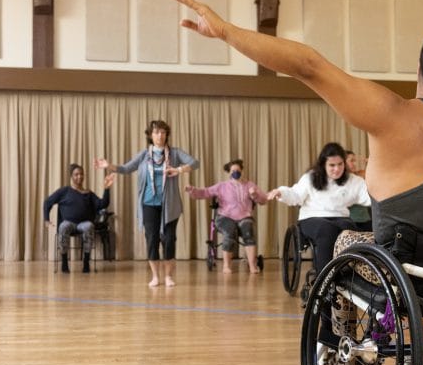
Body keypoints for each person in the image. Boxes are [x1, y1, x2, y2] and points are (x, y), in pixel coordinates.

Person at [170, 0, 423, 252]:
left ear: (420, 70)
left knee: (345, 242)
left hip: (405, 268)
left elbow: (308, 66)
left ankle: (329, 338)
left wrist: (225, 30)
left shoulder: (392, 115)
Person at [95, 120, 199, 287]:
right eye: (157, 132)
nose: (160, 135)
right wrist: (109, 165)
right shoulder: (144, 155)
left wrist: (179, 170)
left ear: (167, 135)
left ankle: (168, 277)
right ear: (150, 135)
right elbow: (126, 168)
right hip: (148, 204)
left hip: (170, 204)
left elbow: (195, 163)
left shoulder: (175, 153)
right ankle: (156, 276)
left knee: (169, 239)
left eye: (163, 132)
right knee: (152, 239)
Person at [268, 142, 370, 272]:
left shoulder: (353, 180)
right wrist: (281, 192)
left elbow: (368, 196)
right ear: (323, 164)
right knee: (327, 230)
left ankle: (347, 275)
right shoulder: (311, 178)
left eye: (340, 164)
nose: (337, 169)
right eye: (332, 165)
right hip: (312, 218)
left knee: (350, 231)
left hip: (340, 217)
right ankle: (324, 278)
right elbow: (296, 194)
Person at [186, 158, 269, 274]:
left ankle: (252, 266)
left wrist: (254, 195)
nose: (235, 172)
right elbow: (205, 192)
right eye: (233, 170)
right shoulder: (222, 186)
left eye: (238, 170)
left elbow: (264, 200)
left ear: (242, 171)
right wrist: (192, 190)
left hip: (244, 217)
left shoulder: (250, 185)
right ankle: (226, 266)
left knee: (248, 230)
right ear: (229, 172)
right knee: (230, 231)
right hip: (225, 217)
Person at [43, 163, 115, 273]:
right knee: (63, 226)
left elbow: (102, 204)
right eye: (76, 174)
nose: (79, 177)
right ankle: (64, 262)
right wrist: (46, 220)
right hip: (68, 223)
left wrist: (107, 189)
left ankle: (86, 262)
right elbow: (47, 202)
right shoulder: (64, 191)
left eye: (81, 174)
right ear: (71, 176)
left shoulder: (88, 193)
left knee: (89, 226)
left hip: (83, 224)